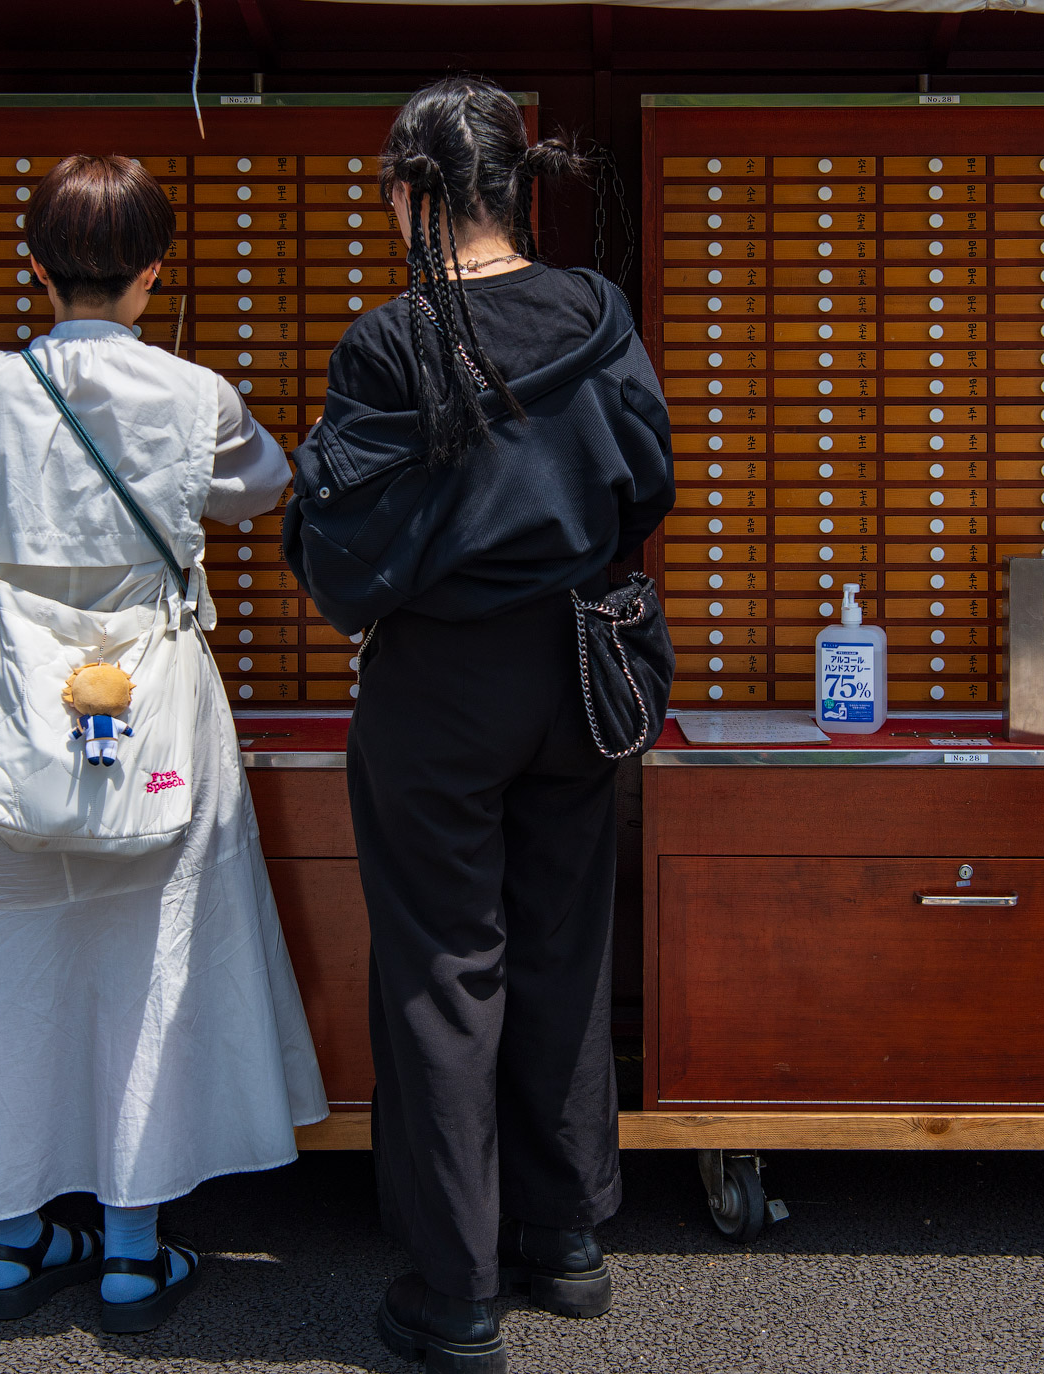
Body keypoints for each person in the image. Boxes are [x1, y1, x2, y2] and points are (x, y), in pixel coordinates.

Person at [0, 153, 327, 1332]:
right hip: (157, 713)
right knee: (152, 964)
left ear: (33, 267)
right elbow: (260, 489)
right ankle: (130, 1250)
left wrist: (2, 577)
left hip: (3, 713)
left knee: (3, 957)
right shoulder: (191, 393)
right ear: (156, 273)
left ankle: (9, 1242)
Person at [283, 77, 675, 1374]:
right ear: (519, 184)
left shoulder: (390, 341)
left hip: (440, 686)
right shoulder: (599, 312)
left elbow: (343, 556)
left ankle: (454, 1292)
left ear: (410, 191)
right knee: (565, 942)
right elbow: (647, 477)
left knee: (447, 970)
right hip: (583, 662)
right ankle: (566, 1237)